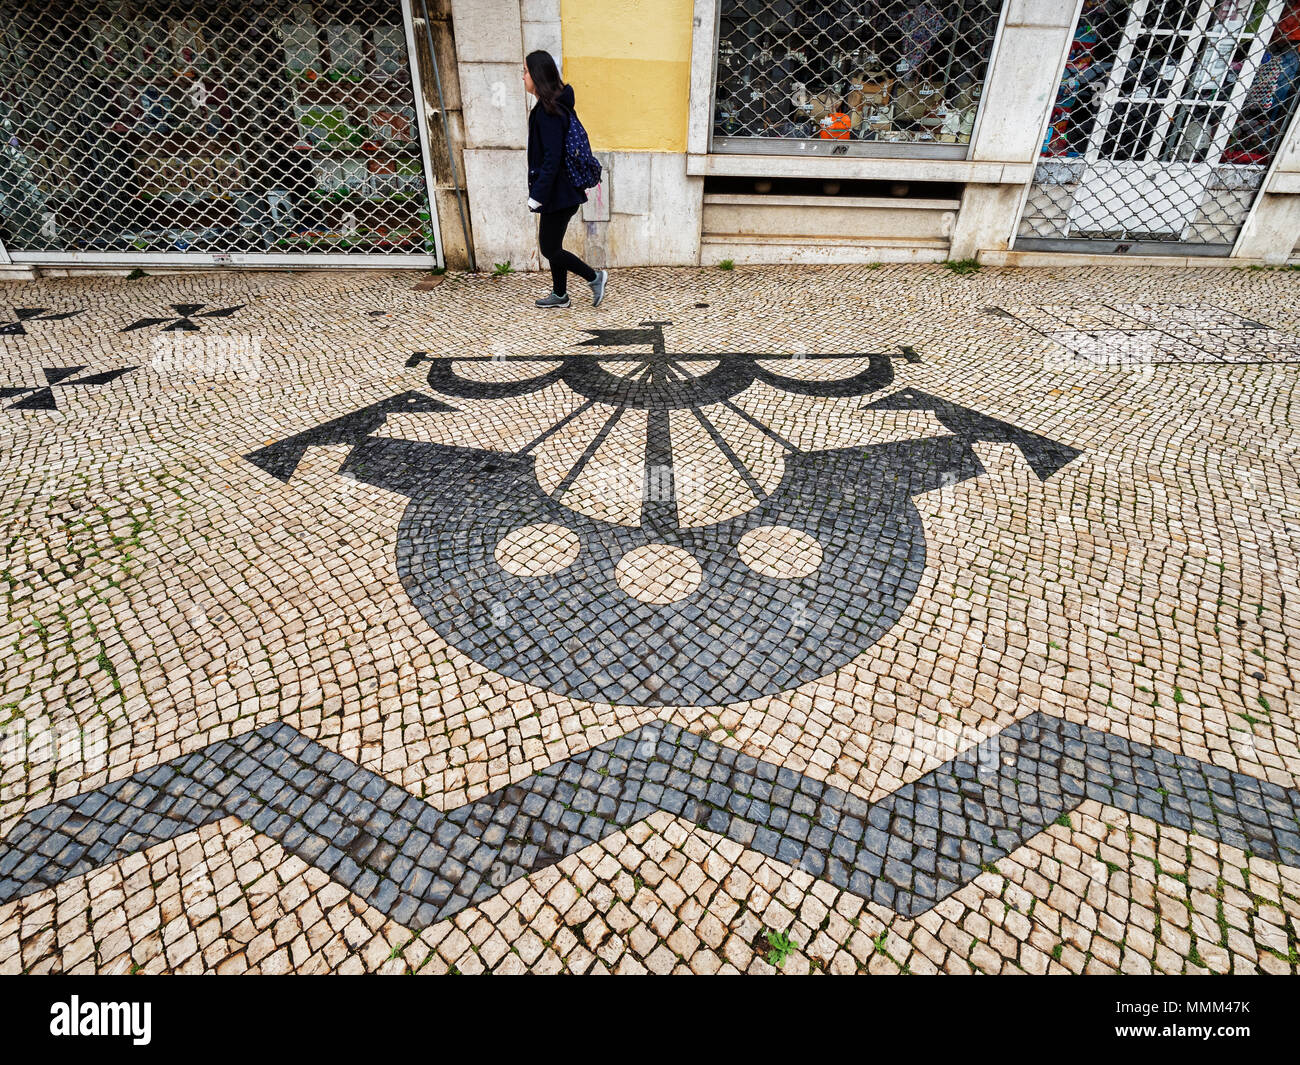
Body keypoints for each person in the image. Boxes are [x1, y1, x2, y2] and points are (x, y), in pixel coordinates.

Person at [523, 50, 608, 309]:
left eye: (525, 72)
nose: (523, 77)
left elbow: (552, 158)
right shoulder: (553, 106)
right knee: (553, 244)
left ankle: (594, 277)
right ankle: (560, 295)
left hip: (559, 193)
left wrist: (537, 195)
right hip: (562, 192)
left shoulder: (548, 112)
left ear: (537, 76)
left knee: (549, 248)